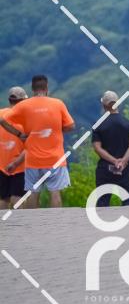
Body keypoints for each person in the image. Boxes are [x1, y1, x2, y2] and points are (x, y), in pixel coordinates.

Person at [0, 75, 75, 208]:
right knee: (55, 193)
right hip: (55, 158)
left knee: (33, 193)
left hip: (32, 160)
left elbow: (2, 120)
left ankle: (32, 220)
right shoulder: (58, 103)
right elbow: (71, 126)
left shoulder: (24, 106)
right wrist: (57, 129)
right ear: (46, 88)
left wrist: (19, 134)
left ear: (32, 89)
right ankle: (56, 219)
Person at [91, 90, 129, 206]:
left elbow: (97, 148)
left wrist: (114, 161)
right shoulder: (128, 124)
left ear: (104, 105)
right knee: (128, 201)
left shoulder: (98, 126)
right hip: (125, 169)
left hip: (105, 169)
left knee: (102, 202)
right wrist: (123, 161)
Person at [0, 87, 27, 209]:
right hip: (19, 167)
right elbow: (30, 147)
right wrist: (15, 163)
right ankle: (19, 221)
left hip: (1, 166)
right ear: (23, 101)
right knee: (18, 198)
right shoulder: (26, 118)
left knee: (3, 198)